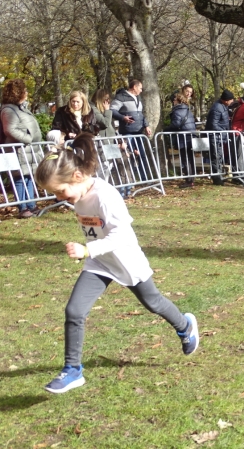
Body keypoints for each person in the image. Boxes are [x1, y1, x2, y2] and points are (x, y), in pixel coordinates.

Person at [35, 133, 199, 394]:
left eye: (59, 191)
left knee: (153, 302)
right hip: (99, 263)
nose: (58, 198)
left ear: (76, 176)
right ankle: (72, 370)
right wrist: (92, 252)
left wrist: (88, 249)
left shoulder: (106, 196)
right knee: (74, 311)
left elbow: (121, 234)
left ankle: (185, 326)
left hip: (125, 261)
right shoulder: (77, 195)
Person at [1, 78, 42, 218]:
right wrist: (27, 139)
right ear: (18, 93)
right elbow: (10, 129)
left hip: (27, 150)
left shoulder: (20, 108)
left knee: (29, 177)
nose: (26, 92)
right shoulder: (8, 110)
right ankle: (23, 208)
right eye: (24, 90)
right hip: (17, 150)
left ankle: (31, 205)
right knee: (19, 179)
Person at [111, 80, 152, 182]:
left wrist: (146, 125)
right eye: (140, 88)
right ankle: (130, 180)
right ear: (134, 87)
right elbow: (112, 110)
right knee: (129, 156)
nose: (141, 90)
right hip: (127, 131)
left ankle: (145, 179)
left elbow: (140, 114)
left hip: (139, 131)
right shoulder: (121, 97)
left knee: (142, 155)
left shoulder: (138, 98)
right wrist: (122, 117)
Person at [165, 92, 197, 188]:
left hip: (183, 137)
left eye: (174, 100)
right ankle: (191, 179)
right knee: (190, 158)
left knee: (185, 159)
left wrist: (165, 129)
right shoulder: (188, 110)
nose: (173, 101)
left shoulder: (177, 111)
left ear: (178, 100)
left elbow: (176, 125)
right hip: (191, 136)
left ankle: (188, 180)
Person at [205, 90, 234, 185]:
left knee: (219, 157)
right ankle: (216, 178)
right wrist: (224, 131)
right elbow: (213, 124)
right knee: (216, 157)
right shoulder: (217, 108)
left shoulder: (222, 106)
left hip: (219, 136)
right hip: (215, 136)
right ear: (226, 100)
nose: (232, 101)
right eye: (231, 100)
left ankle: (219, 176)